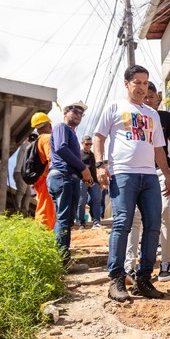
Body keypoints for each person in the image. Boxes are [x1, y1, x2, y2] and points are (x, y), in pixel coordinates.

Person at [94, 65, 170, 302]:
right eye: (137, 82)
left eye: (145, 83)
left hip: (149, 176)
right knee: (123, 223)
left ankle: (144, 279)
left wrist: (167, 175)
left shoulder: (152, 114)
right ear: (126, 84)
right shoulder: (115, 107)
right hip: (123, 174)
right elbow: (99, 137)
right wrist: (100, 164)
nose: (142, 87)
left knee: (153, 224)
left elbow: (159, 148)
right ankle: (116, 279)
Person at [124, 82, 170, 282]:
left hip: (160, 171)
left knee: (165, 212)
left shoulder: (165, 117)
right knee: (135, 217)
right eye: (145, 97)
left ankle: (166, 262)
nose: (148, 100)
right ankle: (129, 266)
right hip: (138, 171)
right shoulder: (134, 115)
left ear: (158, 97)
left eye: (152, 96)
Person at [47, 101, 94, 272]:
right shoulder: (62, 128)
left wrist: (83, 175)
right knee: (64, 218)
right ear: (65, 113)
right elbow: (61, 149)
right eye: (75, 111)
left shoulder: (72, 133)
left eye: (81, 113)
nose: (78, 115)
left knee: (66, 219)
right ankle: (62, 261)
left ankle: (63, 259)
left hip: (68, 177)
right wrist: (83, 168)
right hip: (62, 177)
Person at [31, 112, 56, 231]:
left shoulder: (39, 139)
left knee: (44, 207)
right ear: (49, 125)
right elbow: (52, 160)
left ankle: (44, 233)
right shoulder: (47, 138)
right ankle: (43, 235)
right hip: (47, 179)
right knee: (46, 209)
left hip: (42, 179)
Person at [77, 135, 103, 228]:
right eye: (87, 144)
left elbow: (97, 168)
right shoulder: (78, 154)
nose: (89, 146)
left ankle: (96, 222)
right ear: (82, 143)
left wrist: (100, 182)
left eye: (90, 144)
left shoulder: (93, 155)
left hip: (94, 181)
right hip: (83, 180)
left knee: (97, 200)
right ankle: (81, 223)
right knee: (82, 202)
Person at [13, 135, 34, 216]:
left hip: (24, 174)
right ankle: (16, 210)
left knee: (28, 193)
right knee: (21, 191)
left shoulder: (29, 146)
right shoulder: (26, 145)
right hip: (20, 172)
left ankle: (24, 212)